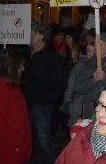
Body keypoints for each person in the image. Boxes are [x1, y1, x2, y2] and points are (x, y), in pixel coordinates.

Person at [21, 21, 66, 164]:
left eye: (31, 32)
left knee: (44, 139)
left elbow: (60, 84)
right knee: (23, 136)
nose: (28, 35)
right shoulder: (26, 54)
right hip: (24, 102)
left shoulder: (52, 57)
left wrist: (45, 100)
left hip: (41, 106)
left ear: (41, 36)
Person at [0, 49, 32, 164]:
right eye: (21, 66)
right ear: (11, 67)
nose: (23, 69)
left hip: (18, 150)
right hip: (8, 152)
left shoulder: (11, 85)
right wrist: (19, 140)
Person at [62, 43, 96, 128]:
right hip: (76, 111)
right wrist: (69, 104)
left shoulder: (100, 67)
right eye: (88, 51)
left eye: (93, 51)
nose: (90, 54)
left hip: (92, 112)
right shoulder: (79, 66)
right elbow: (69, 87)